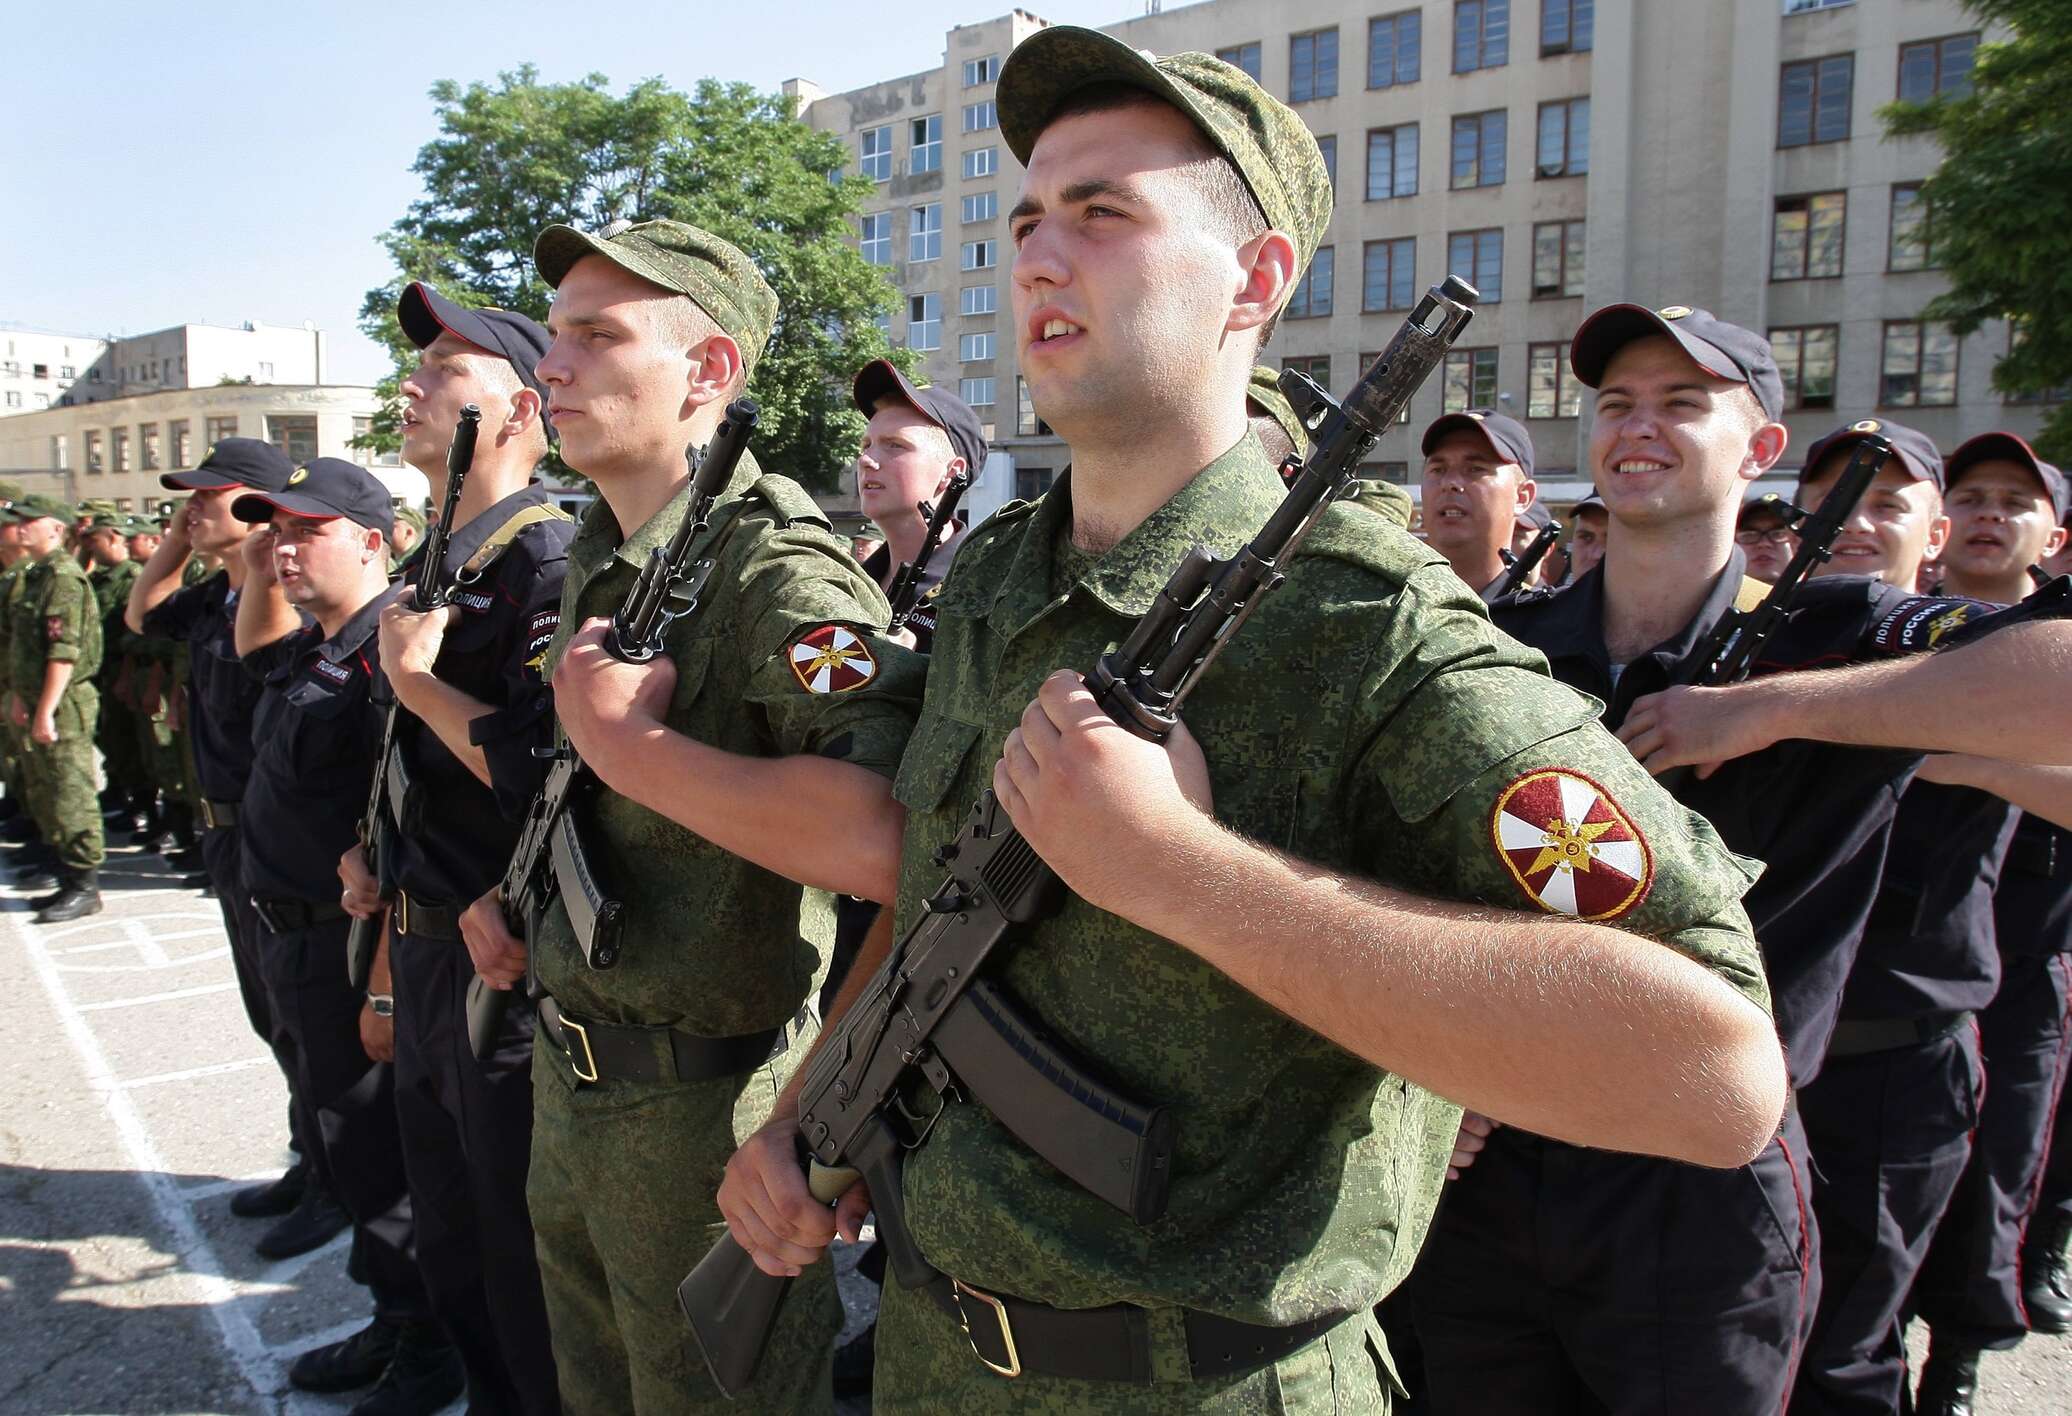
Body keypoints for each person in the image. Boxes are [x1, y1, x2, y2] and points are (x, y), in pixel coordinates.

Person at [718, 37, 1788, 1412]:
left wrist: (1183, 874)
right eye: (1028, 219)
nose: (1039, 258)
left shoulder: (1366, 626)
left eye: (1105, 215)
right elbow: (938, 903)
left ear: (1258, 281)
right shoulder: (995, 581)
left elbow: (1716, 1075)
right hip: (933, 1356)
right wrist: (816, 1106)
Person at [1422, 310, 2071, 1415]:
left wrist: (1763, 710)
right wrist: (1430, 1060)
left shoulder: (1839, 631)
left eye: (1682, 404)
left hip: (1701, 1167)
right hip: (1494, 1166)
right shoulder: (1501, 635)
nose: (1640, 428)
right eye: (1617, 404)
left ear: (1758, 449)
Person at [453, 217, 923, 1415]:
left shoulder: (779, 578)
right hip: (575, 1077)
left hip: (703, 1114)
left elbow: (892, 835)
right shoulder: (610, 550)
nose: (550, 367)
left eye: (596, 338)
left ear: (708, 372)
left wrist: (634, 748)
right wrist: (520, 902)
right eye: (553, 337)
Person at [335, 281, 570, 1416]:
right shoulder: (438, 562)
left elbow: (547, 781)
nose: (410, 387)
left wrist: (420, 689)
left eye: (443, 372)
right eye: (414, 368)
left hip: (500, 969)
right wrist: (379, 895)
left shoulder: (547, 565)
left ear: (519, 410)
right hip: (423, 947)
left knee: (514, 1249)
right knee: (449, 1235)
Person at [231, 459, 463, 1415]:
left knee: (381, 1159)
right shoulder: (324, 645)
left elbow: (408, 839)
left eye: (306, 531)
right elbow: (253, 659)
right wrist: (258, 570)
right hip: (292, 937)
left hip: (348, 949)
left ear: (373, 539)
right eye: (274, 532)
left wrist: (379, 986)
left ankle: (425, 1349)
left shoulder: (387, 657)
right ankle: (393, 1320)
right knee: (342, 1150)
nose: (284, 549)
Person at [129, 439, 350, 1256]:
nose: (191, 509)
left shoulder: (282, 607)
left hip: (284, 841)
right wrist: (180, 541)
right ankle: (312, 1159)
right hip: (226, 836)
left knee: (310, 1022)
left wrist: (259, 564)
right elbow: (141, 611)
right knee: (274, 1017)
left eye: (206, 499)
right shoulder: (214, 604)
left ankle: (336, 1180)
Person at [1902, 434, 2072, 1412]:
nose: (1987, 515)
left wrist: (1962, 756)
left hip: (2023, 952)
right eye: (1968, 495)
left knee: (1993, 1177)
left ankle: (1954, 1370)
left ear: (2050, 533)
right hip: (1908, 954)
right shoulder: (1900, 633)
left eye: (2014, 500)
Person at [5, 493, 105, 921]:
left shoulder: (64, 577)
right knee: (44, 786)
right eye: (19, 520)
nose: (21, 526)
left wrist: (45, 708)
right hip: (36, 696)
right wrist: (19, 696)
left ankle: (85, 884)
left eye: (32, 519)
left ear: (57, 529)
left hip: (63, 701)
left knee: (69, 789)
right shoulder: (37, 574)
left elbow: (63, 652)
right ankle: (62, 867)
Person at [851, 357, 983, 646]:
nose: (866, 460)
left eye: (895, 445)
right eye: (866, 445)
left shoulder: (984, 590)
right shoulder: (850, 584)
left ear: (952, 472)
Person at [1417, 408, 1537, 602]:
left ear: (1522, 496)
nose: (1450, 483)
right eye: (1438, 469)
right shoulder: (1382, 605)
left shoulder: (1544, 621)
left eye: (1475, 469)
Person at [1736, 491, 1796, 584]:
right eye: (1750, 535)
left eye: (1778, 534)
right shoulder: (1716, 598)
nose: (1764, 544)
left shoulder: (1824, 595)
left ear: (1798, 541)